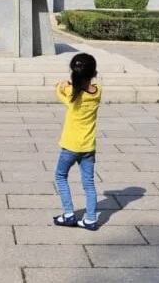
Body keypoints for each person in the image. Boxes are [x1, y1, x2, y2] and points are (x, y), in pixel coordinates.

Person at [51, 52, 101, 231]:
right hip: (88, 147)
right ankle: (90, 219)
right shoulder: (98, 91)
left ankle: (69, 214)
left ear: (74, 73)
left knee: (60, 176)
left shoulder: (72, 94)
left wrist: (62, 85)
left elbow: (61, 93)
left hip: (70, 147)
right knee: (89, 183)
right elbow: (85, 86)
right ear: (94, 73)